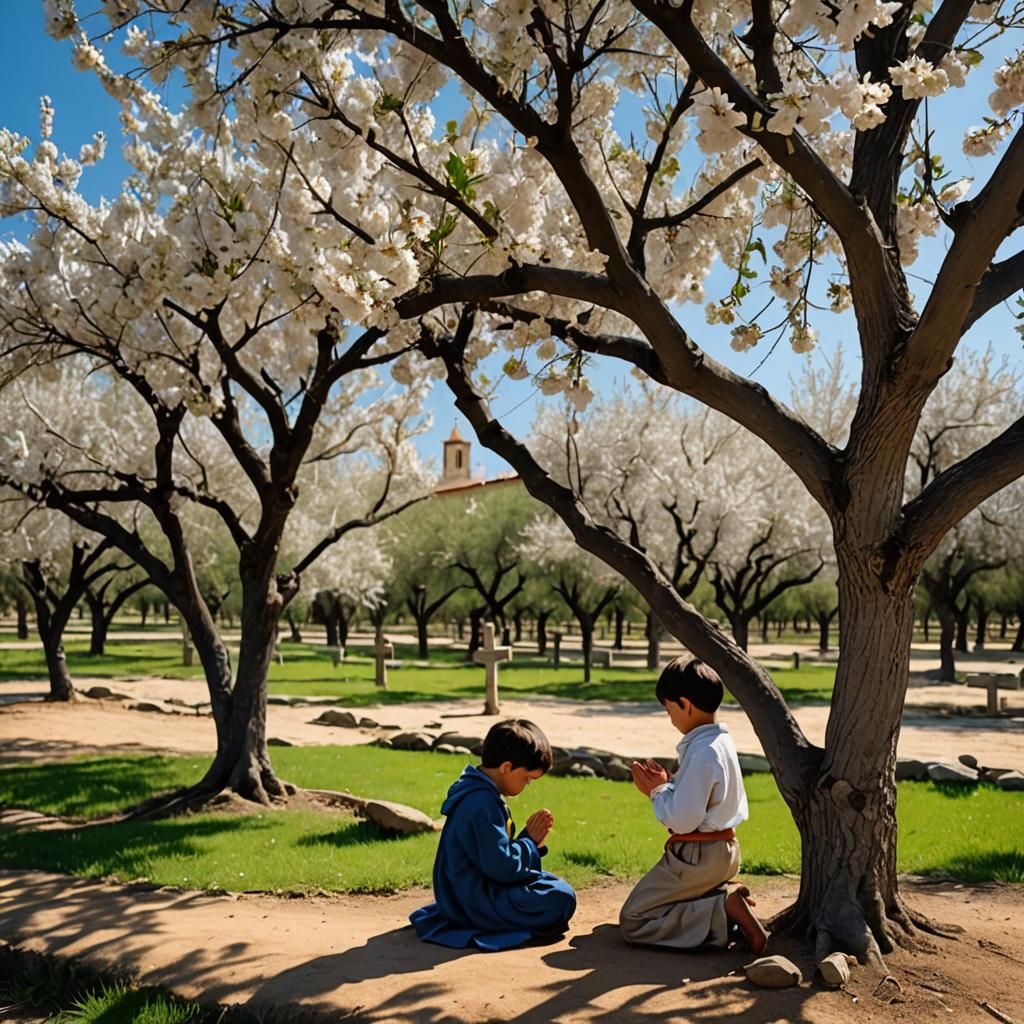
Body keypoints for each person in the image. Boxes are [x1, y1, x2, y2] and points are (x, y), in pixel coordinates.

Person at [619, 656, 768, 953]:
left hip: (698, 858)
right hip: (725, 852)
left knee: (634, 919)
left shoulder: (702, 753)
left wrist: (656, 791)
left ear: (685, 704)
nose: (670, 717)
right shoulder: (719, 743)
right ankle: (722, 897)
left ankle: (722, 908)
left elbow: (683, 820)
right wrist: (669, 782)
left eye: (669, 709)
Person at [410, 718, 577, 951]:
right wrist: (529, 842)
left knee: (551, 884)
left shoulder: (481, 793)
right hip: (472, 903)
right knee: (561, 897)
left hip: (473, 892)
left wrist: (527, 840)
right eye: (527, 778)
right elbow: (501, 867)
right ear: (506, 767)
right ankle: (509, 926)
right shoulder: (481, 803)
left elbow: (495, 858)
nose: (527, 785)